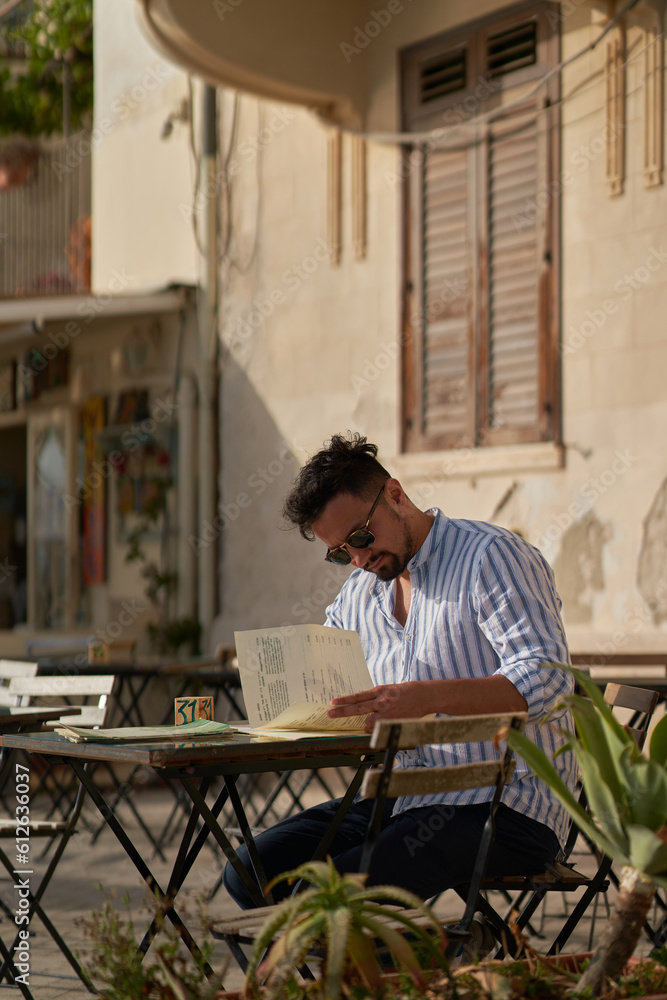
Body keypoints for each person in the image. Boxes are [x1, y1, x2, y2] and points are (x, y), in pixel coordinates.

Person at [223, 432, 577, 909]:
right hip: (402, 797)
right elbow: (325, 677)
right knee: (250, 872)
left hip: (507, 803)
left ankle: (422, 953)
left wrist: (426, 698)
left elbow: (549, 680)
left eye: (361, 537)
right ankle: (425, 948)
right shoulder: (359, 595)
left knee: (325, 899)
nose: (359, 559)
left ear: (395, 495)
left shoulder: (491, 556)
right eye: (340, 552)